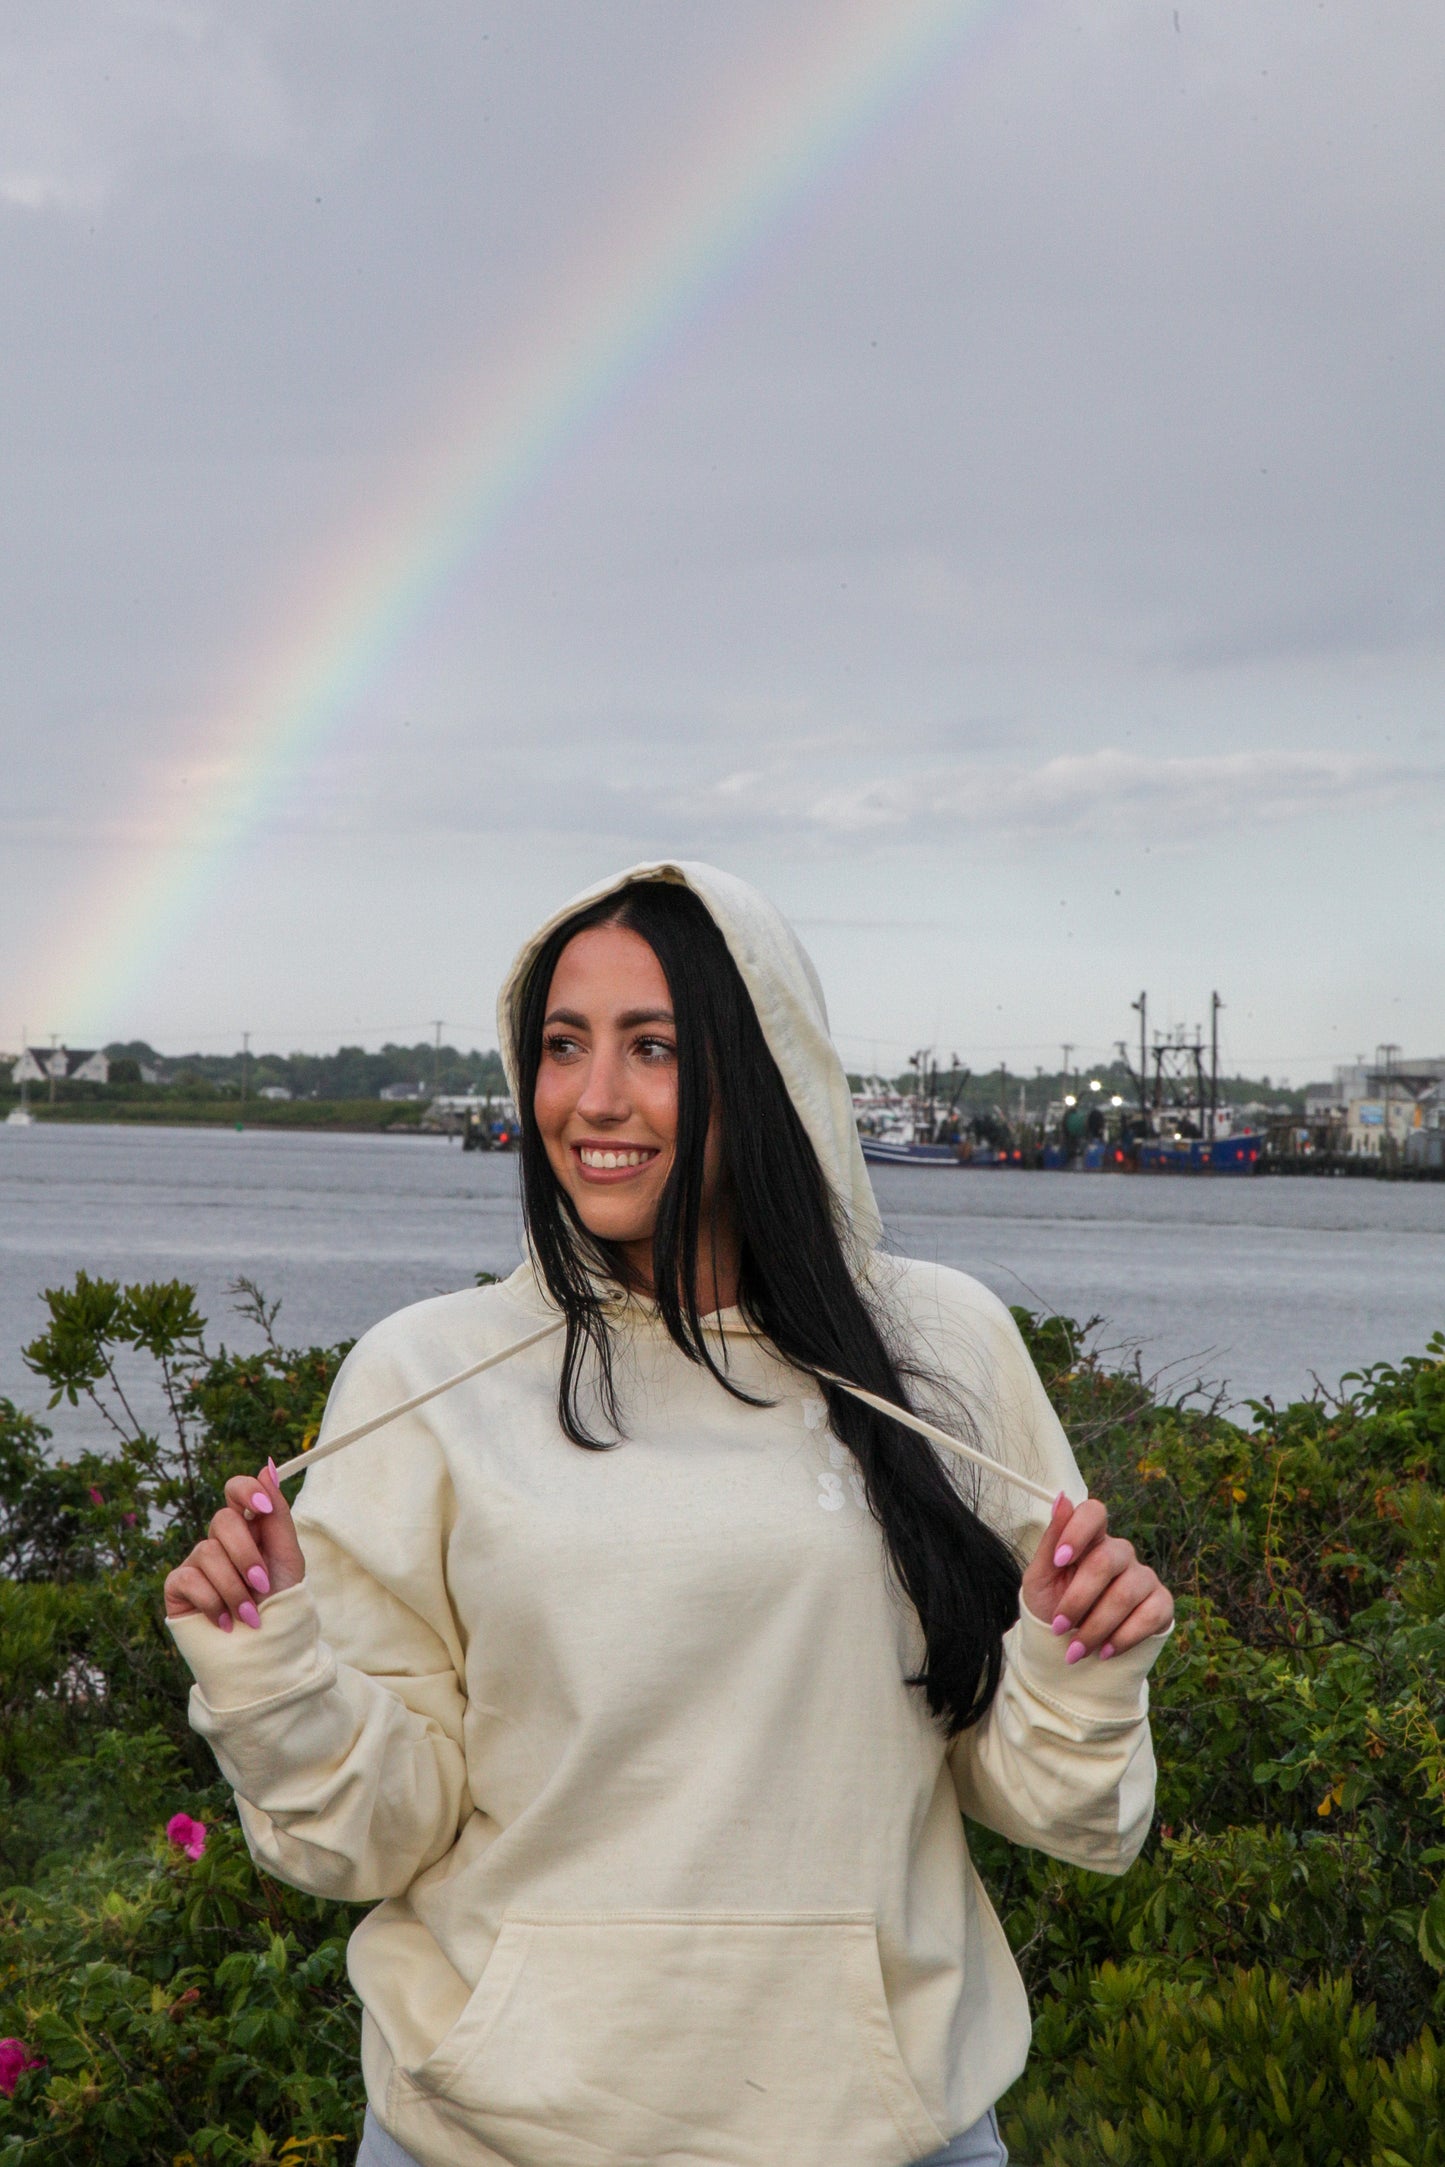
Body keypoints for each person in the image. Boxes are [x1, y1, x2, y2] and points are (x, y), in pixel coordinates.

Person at [165, 862, 1174, 2167]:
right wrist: (271, 1665)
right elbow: (370, 1839)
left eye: (654, 1048)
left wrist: (1080, 1656)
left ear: (766, 1071)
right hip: (486, 2139)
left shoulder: (940, 1347)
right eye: (562, 1046)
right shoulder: (425, 1374)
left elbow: (1061, 1809)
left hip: (883, 2131)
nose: (593, 1099)